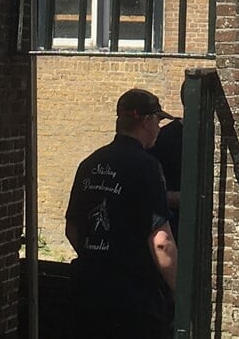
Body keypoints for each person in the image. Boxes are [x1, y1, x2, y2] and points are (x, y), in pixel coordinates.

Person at [64, 88, 179, 338]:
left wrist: (98, 258)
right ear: (146, 122)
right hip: (133, 300)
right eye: (158, 121)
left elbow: (72, 229)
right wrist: (180, 292)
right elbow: (161, 243)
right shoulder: (147, 167)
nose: (159, 128)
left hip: (87, 291)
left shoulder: (90, 164)